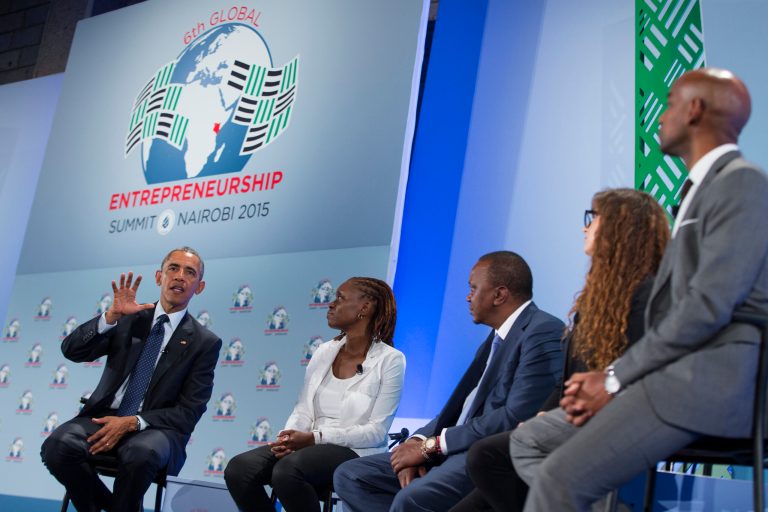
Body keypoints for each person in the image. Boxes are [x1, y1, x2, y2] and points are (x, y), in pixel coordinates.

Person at [511, 68, 768, 511]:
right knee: (539, 453)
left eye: (669, 104)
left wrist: (613, 379)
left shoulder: (740, 182)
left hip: (707, 385)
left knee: (558, 479)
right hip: (672, 379)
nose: (661, 117)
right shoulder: (700, 190)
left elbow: (707, 306)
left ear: (695, 110)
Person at [450, 189, 669, 512]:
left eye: (593, 219)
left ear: (622, 229)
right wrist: (541, 416)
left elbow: (639, 372)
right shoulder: (594, 301)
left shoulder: (650, 296)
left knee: (486, 456)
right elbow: (565, 382)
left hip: (611, 421)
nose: (585, 227)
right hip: (567, 423)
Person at [333, 251, 564, 512]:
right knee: (351, 477)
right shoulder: (496, 338)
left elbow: (515, 417)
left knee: (410, 500)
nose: (468, 296)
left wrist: (432, 446)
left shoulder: (542, 332)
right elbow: (460, 408)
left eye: (474, 288)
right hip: (450, 447)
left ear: (499, 295)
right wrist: (417, 441)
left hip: (481, 452)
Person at [41, 246, 221, 512]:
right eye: (173, 268)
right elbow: (72, 350)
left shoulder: (205, 343)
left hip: (157, 430)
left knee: (140, 454)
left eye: (189, 272)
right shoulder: (129, 317)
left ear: (199, 286)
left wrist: (134, 422)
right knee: (58, 445)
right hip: (104, 417)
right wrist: (110, 317)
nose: (180, 276)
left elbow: (189, 411)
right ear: (159, 277)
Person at [225, 277, 405, 512]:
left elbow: (376, 432)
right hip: (307, 446)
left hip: (354, 452)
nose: (331, 304)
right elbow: (303, 409)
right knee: (240, 469)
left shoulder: (390, 360)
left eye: (340, 298)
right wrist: (288, 439)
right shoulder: (324, 351)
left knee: (288, 470)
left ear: (365, 307)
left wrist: (315, 438)